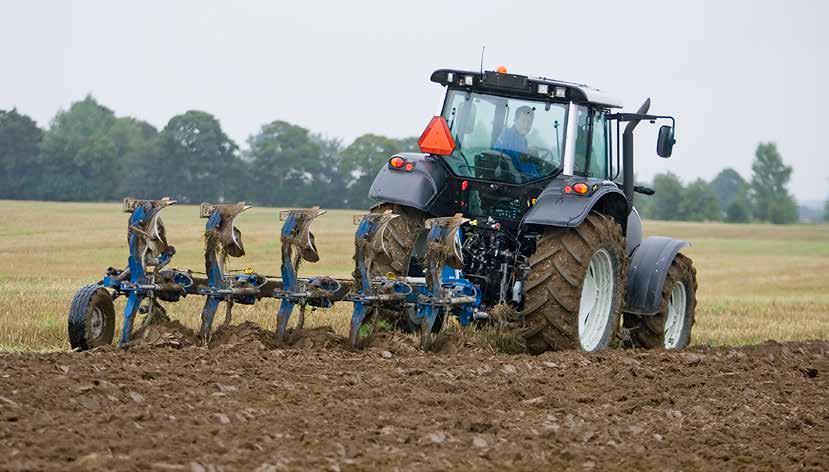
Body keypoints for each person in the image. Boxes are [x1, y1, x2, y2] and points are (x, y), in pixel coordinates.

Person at [494, 105, 540, 176]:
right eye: (523, 121)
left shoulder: (511, 135)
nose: (526, 125)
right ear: (515, 120)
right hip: (512, 179)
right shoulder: (511, 137)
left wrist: (527, 151)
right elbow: (525, 168)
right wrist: (538, 174)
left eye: (529, 122)